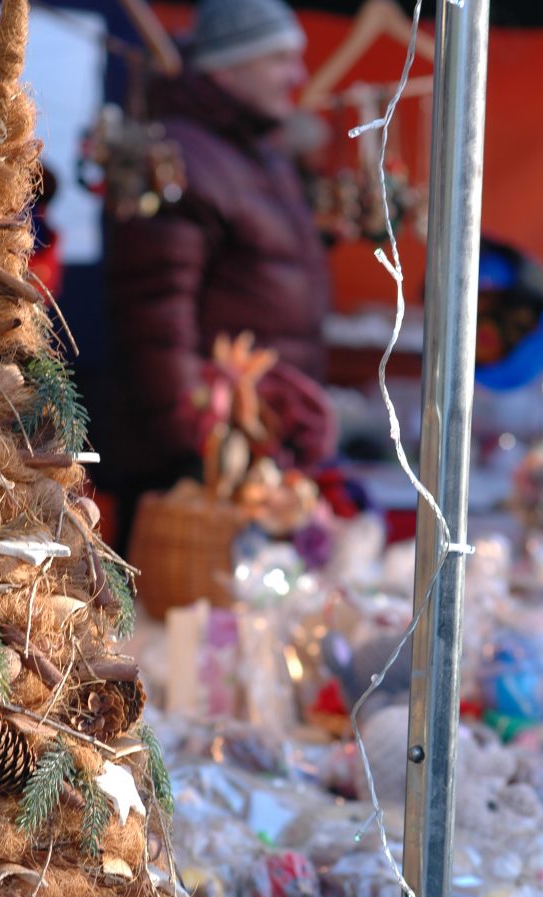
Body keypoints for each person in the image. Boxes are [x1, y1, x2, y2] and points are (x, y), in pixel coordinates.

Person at [103, 0, 337, 550]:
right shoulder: (184, 156)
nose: (298, 75)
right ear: (229, 66)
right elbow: (156, 311)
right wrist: (199, 441)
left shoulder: (260, 152)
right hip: (201, 466)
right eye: (280, 58)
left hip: (256, 455)